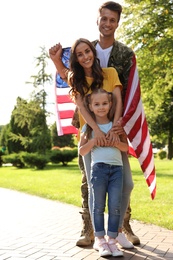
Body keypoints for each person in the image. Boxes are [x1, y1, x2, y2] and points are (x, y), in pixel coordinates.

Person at [49, 37, 134, 249]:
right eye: (80, 54)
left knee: (127, 184)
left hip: (114, 132)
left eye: (87, 51)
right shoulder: (76, 81)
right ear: (76, 59)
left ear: (93, 53)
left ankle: (119, 232)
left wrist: (114, 129)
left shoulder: (110, 73)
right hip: (90, 136)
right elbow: (82, 107)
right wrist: (96, 132)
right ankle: (98, 236)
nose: (85, 56)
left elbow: (118, 99)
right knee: (93, 188)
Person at [74, 1, 141, 247]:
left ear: (117, 23)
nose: (108, 23)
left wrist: (121, 123)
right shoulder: (85, 49)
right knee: (89, 181)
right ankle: (89, 229)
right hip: (89, 126)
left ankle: (122, 225)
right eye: (104, 18)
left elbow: (127, 92)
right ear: (98, 19)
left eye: (113, 19)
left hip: (116, 127)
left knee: (121, 179)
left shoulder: (125, 54)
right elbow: (70, 79)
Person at [79, 88, 128, 257]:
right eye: (97, 104)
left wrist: (115, 143)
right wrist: (94, 141)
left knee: (115, 206)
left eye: (104, 103)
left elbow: (126, 148)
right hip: (98, 170)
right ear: (91, 107)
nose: (101, 107)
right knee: (98, 206)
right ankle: (100, 240)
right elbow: (82, 151)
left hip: (117, 170)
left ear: (110, 104)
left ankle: (112, 241)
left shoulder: (116, 127)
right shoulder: (89, 127)